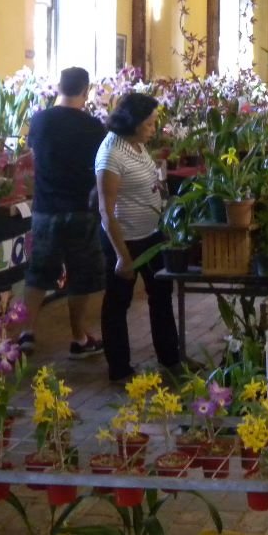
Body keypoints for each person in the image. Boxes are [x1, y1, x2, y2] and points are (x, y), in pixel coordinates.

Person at [18, 66, 106, 358]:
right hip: (82, 209)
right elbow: (102, 168)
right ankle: (79, 338)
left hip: (45, 208)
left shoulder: (40, 120)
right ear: (86, 90)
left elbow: (33, 158)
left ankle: (26, 332)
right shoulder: (94, 127)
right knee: (82, 276)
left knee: (38, 272)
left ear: (58, 86)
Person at [96, 92, 180, 383]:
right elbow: (106, 210)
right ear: (132, 123)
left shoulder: (137, 145)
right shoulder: (111, 154)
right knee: (118, 304)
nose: (154, 129)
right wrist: (122, 256)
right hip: (125, 239)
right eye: (149, 124)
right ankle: (119, 369)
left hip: (151, 233)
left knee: (161, 296)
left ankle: (170, 358)